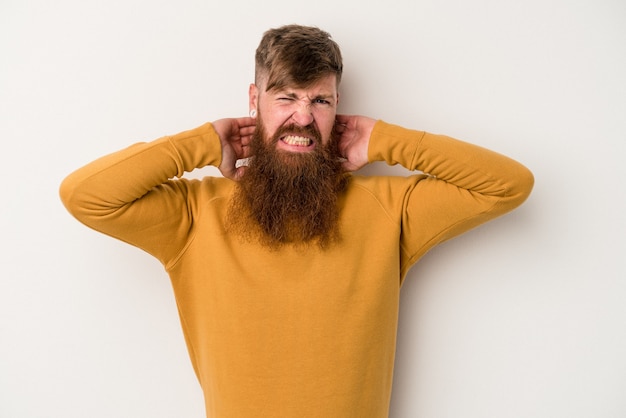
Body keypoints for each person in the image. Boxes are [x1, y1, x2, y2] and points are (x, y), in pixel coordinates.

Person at [60, 24, 534, 418]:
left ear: (337, 106)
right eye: (285, 96)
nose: (303, 118)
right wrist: (202, 144)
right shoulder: (193, 214)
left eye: (321, 101)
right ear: (254, 98)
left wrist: (386, 140)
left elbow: (508, 184)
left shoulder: (388, 208)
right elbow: (85, 197)